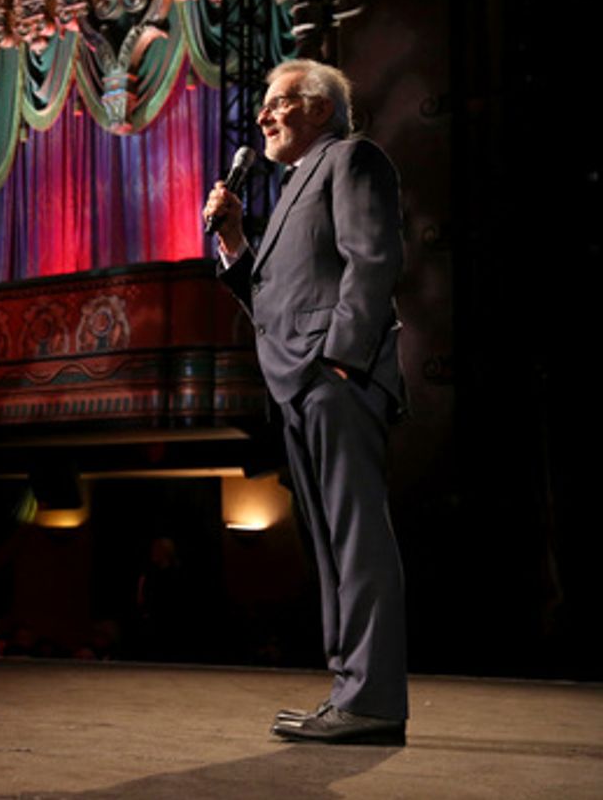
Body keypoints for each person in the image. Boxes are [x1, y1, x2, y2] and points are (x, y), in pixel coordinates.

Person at [203, 58, 408, 745]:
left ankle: (372, 696)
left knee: (356, 537)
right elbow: (274, 298)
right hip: (298, 379)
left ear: (319, 108)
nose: (261, 116)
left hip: (332, 375)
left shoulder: (350, 158)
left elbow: (372, 259)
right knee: (328, 544)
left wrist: (344, 360)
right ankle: (351, 694)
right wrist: (234, 240)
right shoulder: (292, 187)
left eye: (277, 102)